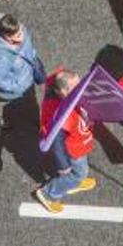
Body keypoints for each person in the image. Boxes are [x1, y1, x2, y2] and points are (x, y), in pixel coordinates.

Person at [33, 70, 96, 213]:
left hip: (79, 142)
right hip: (74, 150)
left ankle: (74, 180)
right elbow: (56, 143)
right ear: (62, 92)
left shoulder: (70, 98)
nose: (81, 89)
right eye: (76, 87)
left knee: (80, 170)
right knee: (79, 173)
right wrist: (63, 166)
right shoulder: (61, 117)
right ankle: (48, 193)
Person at [0, 14, 44, 128]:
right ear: (6, 37)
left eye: (21, 31)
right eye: (17, 36)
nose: (22, 37)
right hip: (13, 87)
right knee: (0, 100)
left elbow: (28, 47)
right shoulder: (2, 57)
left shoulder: (19, 29)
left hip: (27, 73)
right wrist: (16, 87)